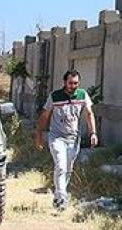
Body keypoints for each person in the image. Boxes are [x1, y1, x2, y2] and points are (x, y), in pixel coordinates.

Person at [35, 70, 98, 210]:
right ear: (64, 82)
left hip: (73, 138)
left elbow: (89, 113)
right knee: (61, 165)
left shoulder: (82, 95)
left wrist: (93, 133)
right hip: (57, 137)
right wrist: (39, 134)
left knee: (68, 168)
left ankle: (60, 195)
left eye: (76, 83)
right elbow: (45, 115)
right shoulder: (55, 96)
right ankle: (61, 196)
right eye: (70, 83)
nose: (73, 86)